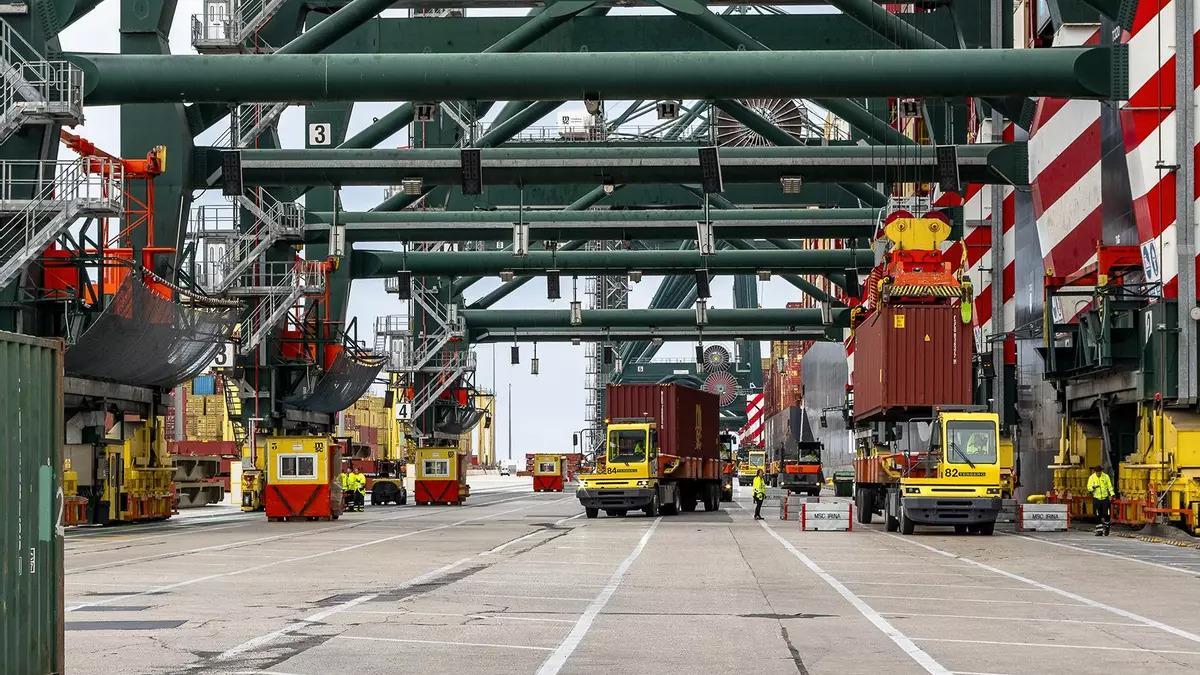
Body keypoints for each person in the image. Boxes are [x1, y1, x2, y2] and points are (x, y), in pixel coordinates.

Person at [1087, 465, 1114, 536]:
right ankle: (1099, 531)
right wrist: (1093, 487)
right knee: (1097, 515)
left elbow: (1109, 486)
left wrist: (1112, 494)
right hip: (1097, 499)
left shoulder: (1106, 477)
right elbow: (1089, 488)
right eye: (1097, 472)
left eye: (1100, 472)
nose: (1099, 473)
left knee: (1107, 514)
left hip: (1105, 498)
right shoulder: (1092, 478)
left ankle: (1107, 527)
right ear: (1095, 472)